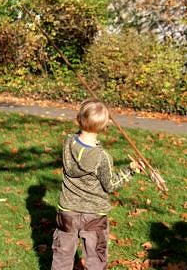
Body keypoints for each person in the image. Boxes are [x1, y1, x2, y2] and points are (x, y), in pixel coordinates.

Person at [51, 99, 144, 270]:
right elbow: (110, 185)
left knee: (62, 256)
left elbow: (79, 140)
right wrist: (130, 170)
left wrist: (86, 119)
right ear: (105, 126)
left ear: (78, 119)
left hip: (67, 211)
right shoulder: (103, 158)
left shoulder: (68, 143)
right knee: (95, 258)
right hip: (94, 214)